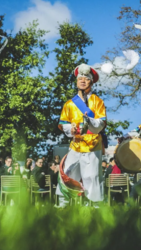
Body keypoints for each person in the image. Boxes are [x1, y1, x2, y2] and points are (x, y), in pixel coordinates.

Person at [56, 64, 107, 207]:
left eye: (86, 78)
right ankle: (62, 203)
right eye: (80, 78)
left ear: (91, 81)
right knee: (68, 173)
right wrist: (69, 129)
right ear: (76, 81)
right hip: (76, 144)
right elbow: (63, 122)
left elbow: (101, 123)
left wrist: (88, 121)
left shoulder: (98, 102)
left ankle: (95, 205)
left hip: (92, 144)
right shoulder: (69, 104)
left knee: (92, 176)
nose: (83, 80)